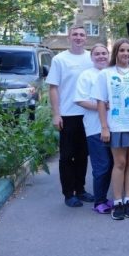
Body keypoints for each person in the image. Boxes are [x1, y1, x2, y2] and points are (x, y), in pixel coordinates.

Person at [93, 38, 129, 220]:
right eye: (122, 50)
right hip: (116, 126)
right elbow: (101, 103)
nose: (125, 54)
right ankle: (117, 201)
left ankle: (128, 199)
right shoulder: (105, 74)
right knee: (119, 163)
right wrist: (104, 127)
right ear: (116, 53)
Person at [46, 24, 94, 208]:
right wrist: (56, 114)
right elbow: (53, 88)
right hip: (67, 115)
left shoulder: (91, 58)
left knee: (83, 155)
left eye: (82, 34)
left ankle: (80, 190)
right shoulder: (60, 59)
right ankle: (68, 193)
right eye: (75, 34)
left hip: (88, 114)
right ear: (69, 37)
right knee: (67, 156)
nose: (79, 37)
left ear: (86, 38)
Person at [74, 44, 113, 214]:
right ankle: (99, 202)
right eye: (97, 54)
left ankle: (103, 197)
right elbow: (80, 100)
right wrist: (103, 106)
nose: (101, 56)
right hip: (95, 128)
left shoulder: (113, 73)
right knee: (101, 165)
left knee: (112, 164)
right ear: (92, 57)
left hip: (116, 127)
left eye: (104, 53)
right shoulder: (86, 75)